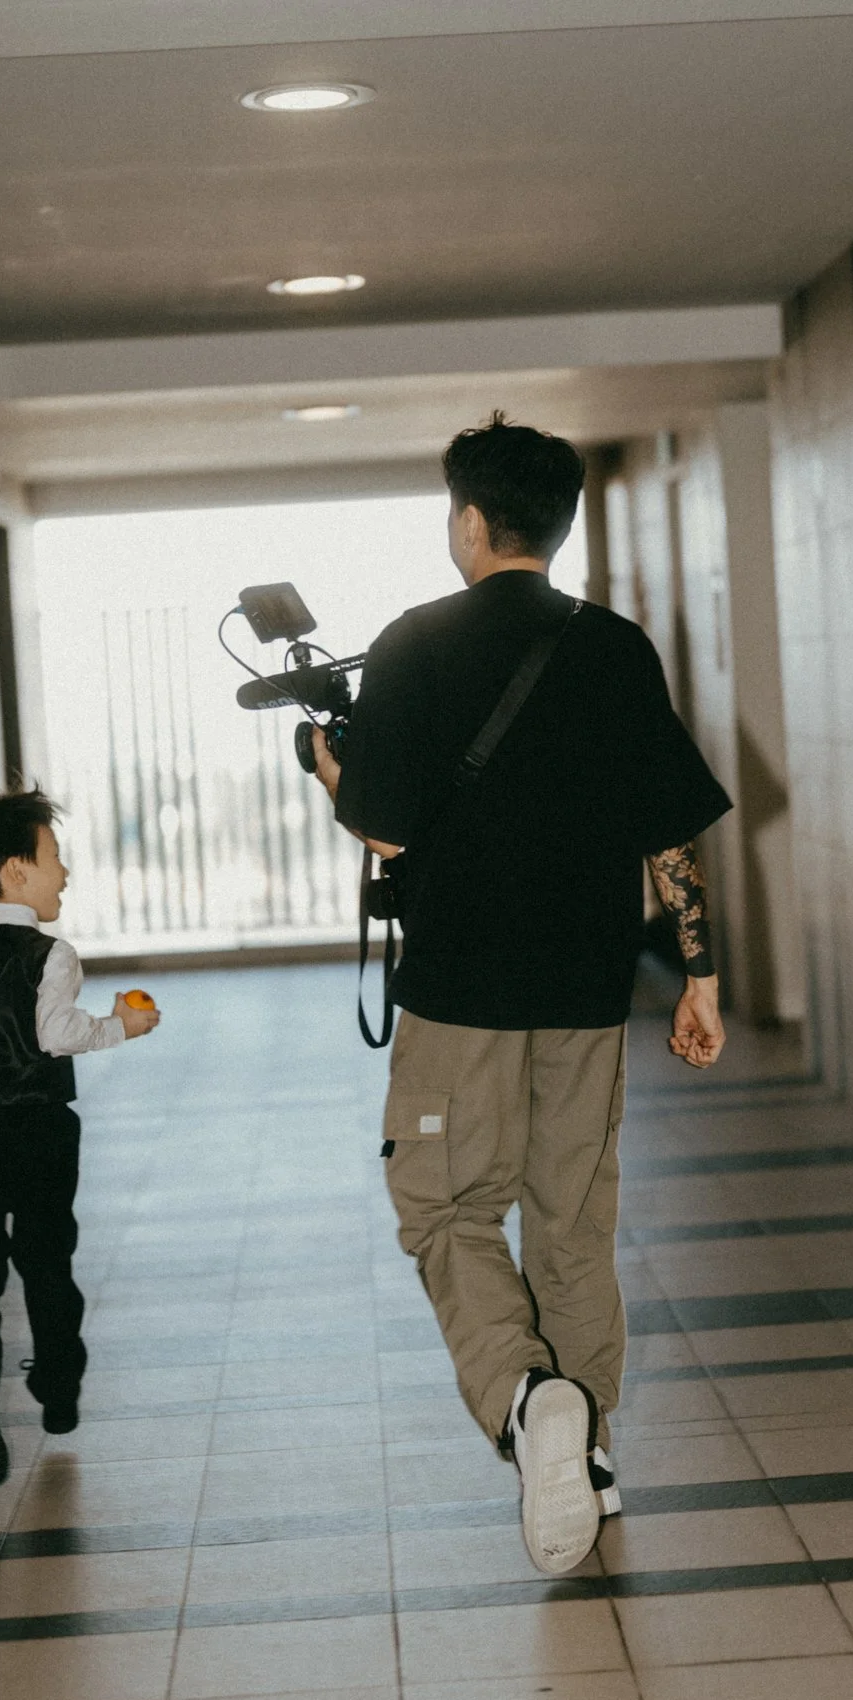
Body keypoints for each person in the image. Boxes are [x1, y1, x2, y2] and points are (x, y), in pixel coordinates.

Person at [313, 414, 731, 1575]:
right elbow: (668, 832)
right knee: (571, 1225)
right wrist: (699, 975)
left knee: (445, 1210)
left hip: (458, 993)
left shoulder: (413, 643)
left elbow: (382, 829)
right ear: (557, 525)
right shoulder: (614, 648)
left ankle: (524, 1397)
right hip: (588, 991)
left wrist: (330, 770)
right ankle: (586, 1452)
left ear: (466, 522)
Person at [0, 778, 159, 1487]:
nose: (64, 873)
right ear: (17, 871)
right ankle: (57, 1384)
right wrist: (122, 1025)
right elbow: (57, 1033)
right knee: (47, 1261)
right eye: (54, 857)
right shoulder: (53, 954)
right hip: (41, 1132)